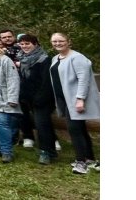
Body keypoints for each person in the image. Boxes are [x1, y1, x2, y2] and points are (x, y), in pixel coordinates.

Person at [49, 33, 100, 174]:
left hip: (75, 101)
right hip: (64, 100)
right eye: (54, 41)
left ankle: (80, 163)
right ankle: (90, 159)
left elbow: (84, 79)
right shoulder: (55, 58)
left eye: (61, 41)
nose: (58, 43)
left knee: (74, 130)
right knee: (80, 129)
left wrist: (80, 99)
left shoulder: (77, 58)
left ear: (68, 42)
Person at [15, 34, 59, 164]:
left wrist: (40, 98)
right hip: (26, 97)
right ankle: (50, 151)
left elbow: (47, 81)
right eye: (22, 44)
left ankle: (46, 152)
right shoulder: (22, 58)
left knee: (42, 125)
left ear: (35, 44)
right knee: (42, 124)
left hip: (42, 97)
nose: (24, 46)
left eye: (27, 43)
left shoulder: (44, 59)